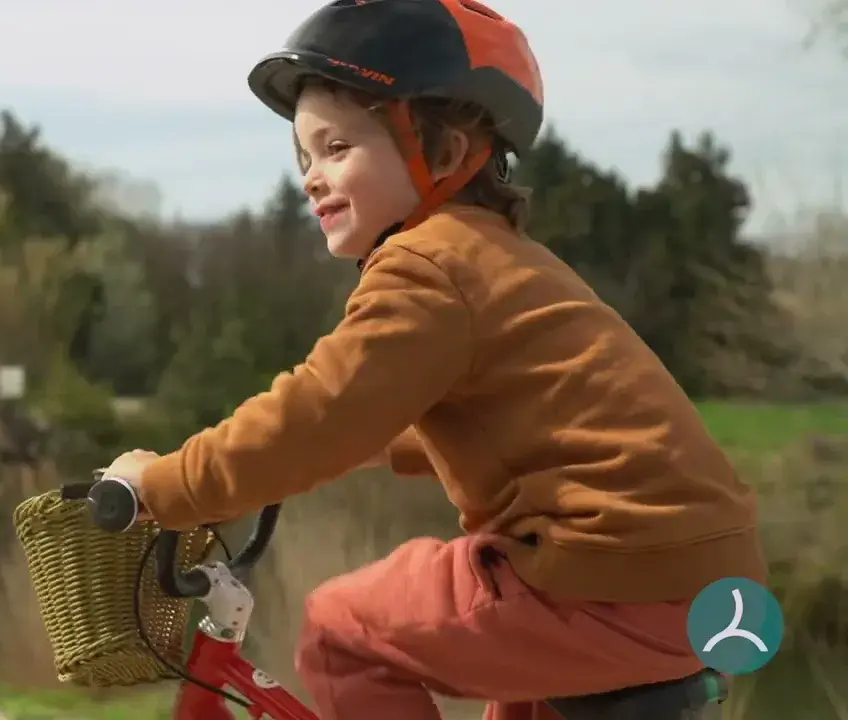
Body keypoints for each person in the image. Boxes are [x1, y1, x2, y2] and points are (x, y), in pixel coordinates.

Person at [100, 1, 767, 718]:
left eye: (336, 148)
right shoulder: (501, 258)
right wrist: (354, 448)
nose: (311, 177)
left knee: (339, 630)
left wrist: (163, 485)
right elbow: (503, 413)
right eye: (302, 157)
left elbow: (316, 413)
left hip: (607, 576)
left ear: (444, 153)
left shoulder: (426, 265)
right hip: (703, 581)